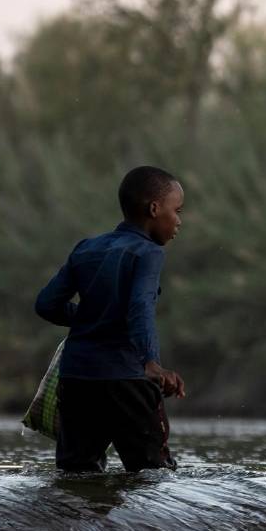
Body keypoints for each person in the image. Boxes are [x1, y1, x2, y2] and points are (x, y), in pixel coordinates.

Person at [34, 165, 187, 472]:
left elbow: (47, 304)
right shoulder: (149, 253)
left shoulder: (86, 248)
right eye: (177, 210)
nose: (179, 221)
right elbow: (140, 307)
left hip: (78, 379)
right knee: (154, 477)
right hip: (127, 378)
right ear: (155, 209)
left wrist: (89, 318)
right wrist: (151, 362)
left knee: (77, 475)